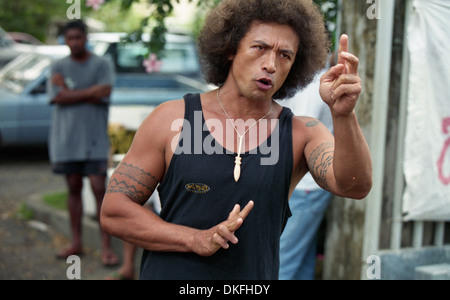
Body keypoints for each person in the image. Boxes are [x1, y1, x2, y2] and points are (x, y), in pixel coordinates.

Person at [100, 0, 372, 280]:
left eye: (285, 55)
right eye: (260, 48)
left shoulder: (301, 133)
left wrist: (344, 115)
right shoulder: (170, 120)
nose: (270, 64)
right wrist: (195, 239)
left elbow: (354, 186)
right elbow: (115, 212)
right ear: (231, 48)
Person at [47, 19, 119, 266]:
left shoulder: (101, 64)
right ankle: (76, 242)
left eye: (78, 37)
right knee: (73, 187)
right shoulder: (57, 65)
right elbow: (57, 98)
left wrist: (69, 91)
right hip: (66, 140)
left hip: (94, 140)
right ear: (64, 40)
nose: (74, 42)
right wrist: (90, 92)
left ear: (86, 37)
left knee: (100, 189)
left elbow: (105, 92)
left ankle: (107, 248)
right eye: (70, 38)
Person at [278, 68, 334, 280]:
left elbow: (298, 134)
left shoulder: (311, 83)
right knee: (299, 259)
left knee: (280, 263)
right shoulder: (303, 78)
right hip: (304, 185)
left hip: (302, 186)